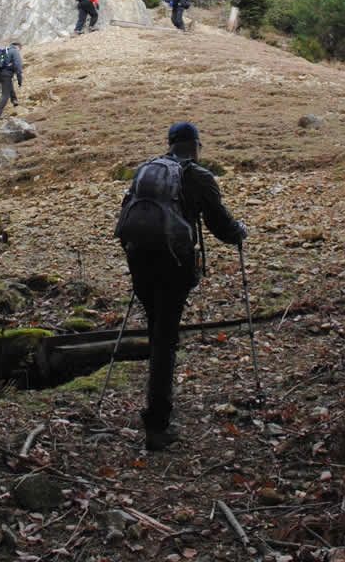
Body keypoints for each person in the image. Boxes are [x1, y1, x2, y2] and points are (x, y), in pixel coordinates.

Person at [115, 121, 247, 451]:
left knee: (157, 330)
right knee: (165, 338)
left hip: (138, 258)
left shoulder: (146, 170)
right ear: (196, 145)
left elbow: (127, 214)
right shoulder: (198, 176)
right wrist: (240, 232)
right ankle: (157, 424)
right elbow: (221, 225)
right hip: (173, 262)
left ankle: (157, 406)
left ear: (169, 143)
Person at [0, 42, 24, 118]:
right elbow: (18, 66)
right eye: (20, 49)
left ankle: (14, 100)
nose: (20, 50)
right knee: (5, 95)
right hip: (6, 75)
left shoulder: (5, 51)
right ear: (18, 46)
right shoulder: (14, 51)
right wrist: (20, 80)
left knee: (9, 85)